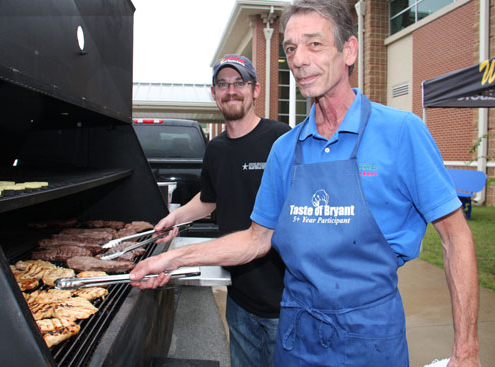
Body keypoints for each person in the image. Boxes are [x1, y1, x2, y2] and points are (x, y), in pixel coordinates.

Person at [130, 1, 481, 366]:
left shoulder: (401, 132)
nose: (298, 60)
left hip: (369, 338)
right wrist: (173, 259)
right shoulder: (285, 149)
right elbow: (255, 239)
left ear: (349, 50)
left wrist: (467, 351)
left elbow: (456, 237)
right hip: (296, 337)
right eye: (291, 48)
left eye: (314, 44)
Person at [153, 54, 290, 367]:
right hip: (239, 296)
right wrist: (174, 217)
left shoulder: (281, 139)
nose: (232, 90)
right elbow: (210, 199)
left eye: (239, 82)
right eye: (223, 84)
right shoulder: (215, 149)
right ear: (213, 93)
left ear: (254, 89)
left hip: (285, 301)